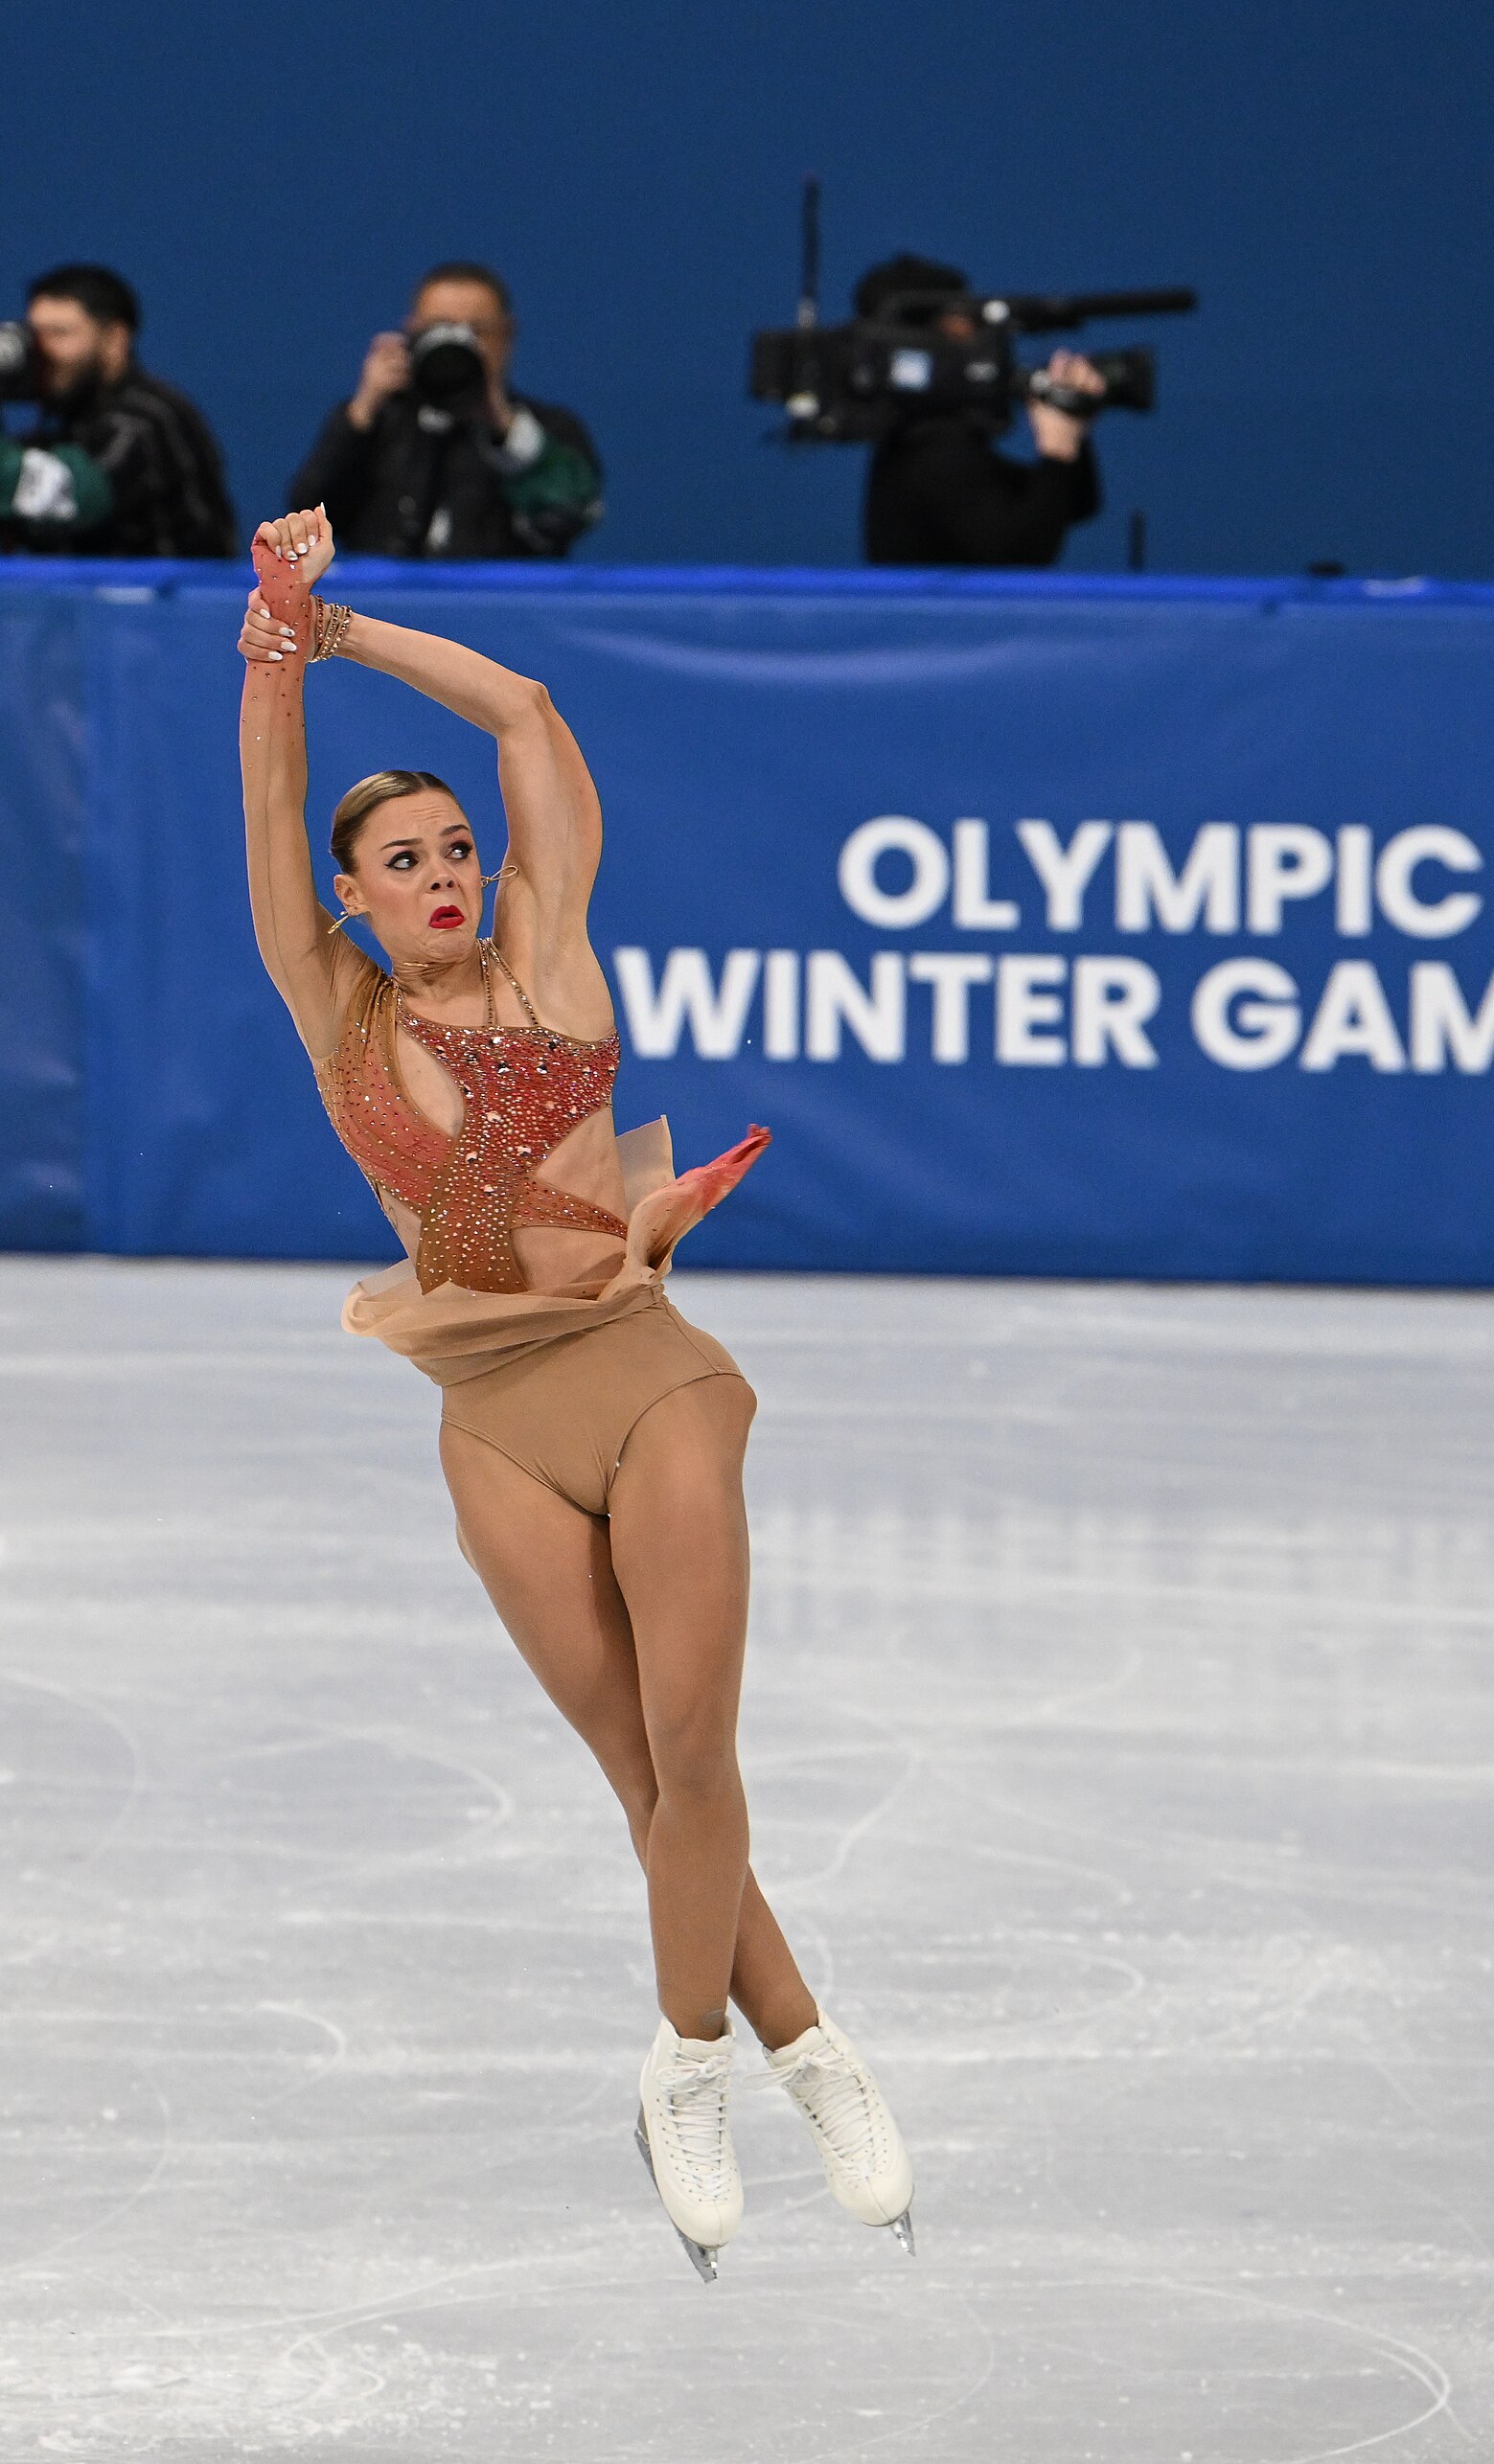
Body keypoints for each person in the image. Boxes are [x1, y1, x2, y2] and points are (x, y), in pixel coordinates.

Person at [236, 503, 912, 2278]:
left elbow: (528, 713)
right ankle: (803, 2043)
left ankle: (689, 2058)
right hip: (493, 1421)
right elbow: (264, 793)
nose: (446, 871)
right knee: (637, 1771)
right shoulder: (335, 1014)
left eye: (458, 846)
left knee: (697, 1747)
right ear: (350, 899)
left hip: (644, 1371)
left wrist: (354, 624)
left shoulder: (548, 947)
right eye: (404, 859)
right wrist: (274, 636)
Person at [287, 264, 602, 559]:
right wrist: (364, 408)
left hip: (500, 611)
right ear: (412, 331)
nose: (457, 343)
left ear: (507, 334)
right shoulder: (377, 423)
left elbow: (572, 514)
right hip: (380, 611)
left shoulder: (549, 429)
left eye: (476, 331)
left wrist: (504, 428)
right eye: (438, 329)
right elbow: (306, 516)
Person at [857, 252, 1105, 567]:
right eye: (961, 326)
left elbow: (1070, 503)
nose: (977, 338)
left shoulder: (932, 442)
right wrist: (1057, 448)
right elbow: (1022, 554)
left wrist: (1072, 434)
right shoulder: (932, 453)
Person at [0, 264, 235, 558]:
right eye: (36, 335)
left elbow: (74, 494)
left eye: (59, 334)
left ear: (114, 340)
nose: (41, 352)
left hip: (173, 602)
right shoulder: (64, 425)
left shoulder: (146, 418)